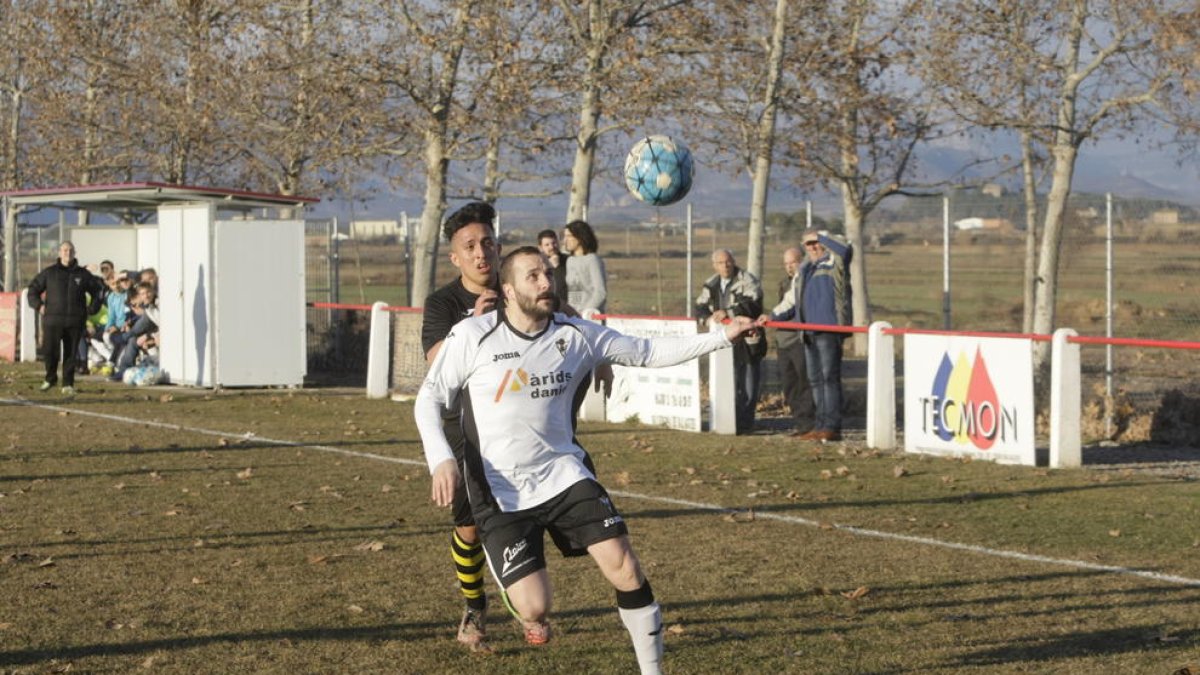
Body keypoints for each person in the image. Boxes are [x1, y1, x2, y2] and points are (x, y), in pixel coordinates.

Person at [415, 246, 761, 674]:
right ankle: (524, 607)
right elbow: (428, 398)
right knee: (536, 608)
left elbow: (648, 352)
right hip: (499, 488)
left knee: (625, 565)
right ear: (507, 290)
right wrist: (441, 460)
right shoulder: (473, 336)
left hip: (563, 474)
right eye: (533, 277)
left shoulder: (576, 334)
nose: (546, 283)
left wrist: (722, 336)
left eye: (548, 274)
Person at [419, 201, 503, 651]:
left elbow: (562, 316)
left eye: (486, 242)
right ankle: (474, 606)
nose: (480, 252)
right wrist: (473, 324)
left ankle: (530, 602)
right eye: (469, 246)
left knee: (528, 517)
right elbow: (436, 364)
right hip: (464, 428)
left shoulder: (518, 287)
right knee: (470, 528)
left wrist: (598, 356)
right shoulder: (443, 303)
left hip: (518, 423)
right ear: (455, 257)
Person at [765, 230, 852, 441]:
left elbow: (845, 249)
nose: (812, 247)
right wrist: (769, 317)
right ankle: (819, 425)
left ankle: (831, 426)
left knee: (829, 378)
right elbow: (790, 301)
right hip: (808, 332)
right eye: (808, 244)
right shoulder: (804, 270)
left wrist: (821, 235)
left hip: (829, 331)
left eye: (815, 243)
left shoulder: (834, 264)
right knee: (815, 380)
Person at [694, 249, 766, 435]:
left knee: (748, 382)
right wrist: (708, 319)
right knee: (730, 381)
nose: (725, 266)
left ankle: (745, 423)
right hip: (725, 340)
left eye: (728, 261)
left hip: (748, 340)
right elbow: (700, 306)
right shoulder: (711, 284)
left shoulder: (747, 280)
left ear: (733, 261)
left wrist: (728, 312)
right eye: (720, 263)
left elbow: (753, 303)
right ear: (714, 266)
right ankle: (730, 421)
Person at [26, 241, 106, 396]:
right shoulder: (49, 273)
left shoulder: (82, 274)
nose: (67, 253)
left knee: (71, 353)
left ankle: (68, 384)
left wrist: (91, 310)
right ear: (59, 253)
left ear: (74, 253)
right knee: (50, 352)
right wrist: (39, 306)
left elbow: (98, 291)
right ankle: (50, 379)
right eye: (64, 250)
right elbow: (33, 290)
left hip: (74, 321)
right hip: (52, 321)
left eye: (70, 250)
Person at [770, 247, 814, 436]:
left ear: (801, 260)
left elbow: (791, 307)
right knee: (789, 384)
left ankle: (808, 424)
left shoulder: (807, 282)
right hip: (783, 339)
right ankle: (799, 422)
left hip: (799, 339)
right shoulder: (783, 283)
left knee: (804, 382)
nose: (789, 267)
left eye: (793, 262)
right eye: (786, 264)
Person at [562, 220, 606, 318]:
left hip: (590, 318)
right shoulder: (570, 261)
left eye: (569, 236)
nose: (565, 240)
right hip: (572, 316)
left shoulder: (592, 260)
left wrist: (584, 313)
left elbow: (600, 292)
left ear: (579, 237)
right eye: (564, 236)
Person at [537, 228, 569, 306]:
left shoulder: (569, 260)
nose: (552, 247)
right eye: (547, 245)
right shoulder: (538, 264)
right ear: (540, 247)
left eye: (554, 243)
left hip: (567, 305)